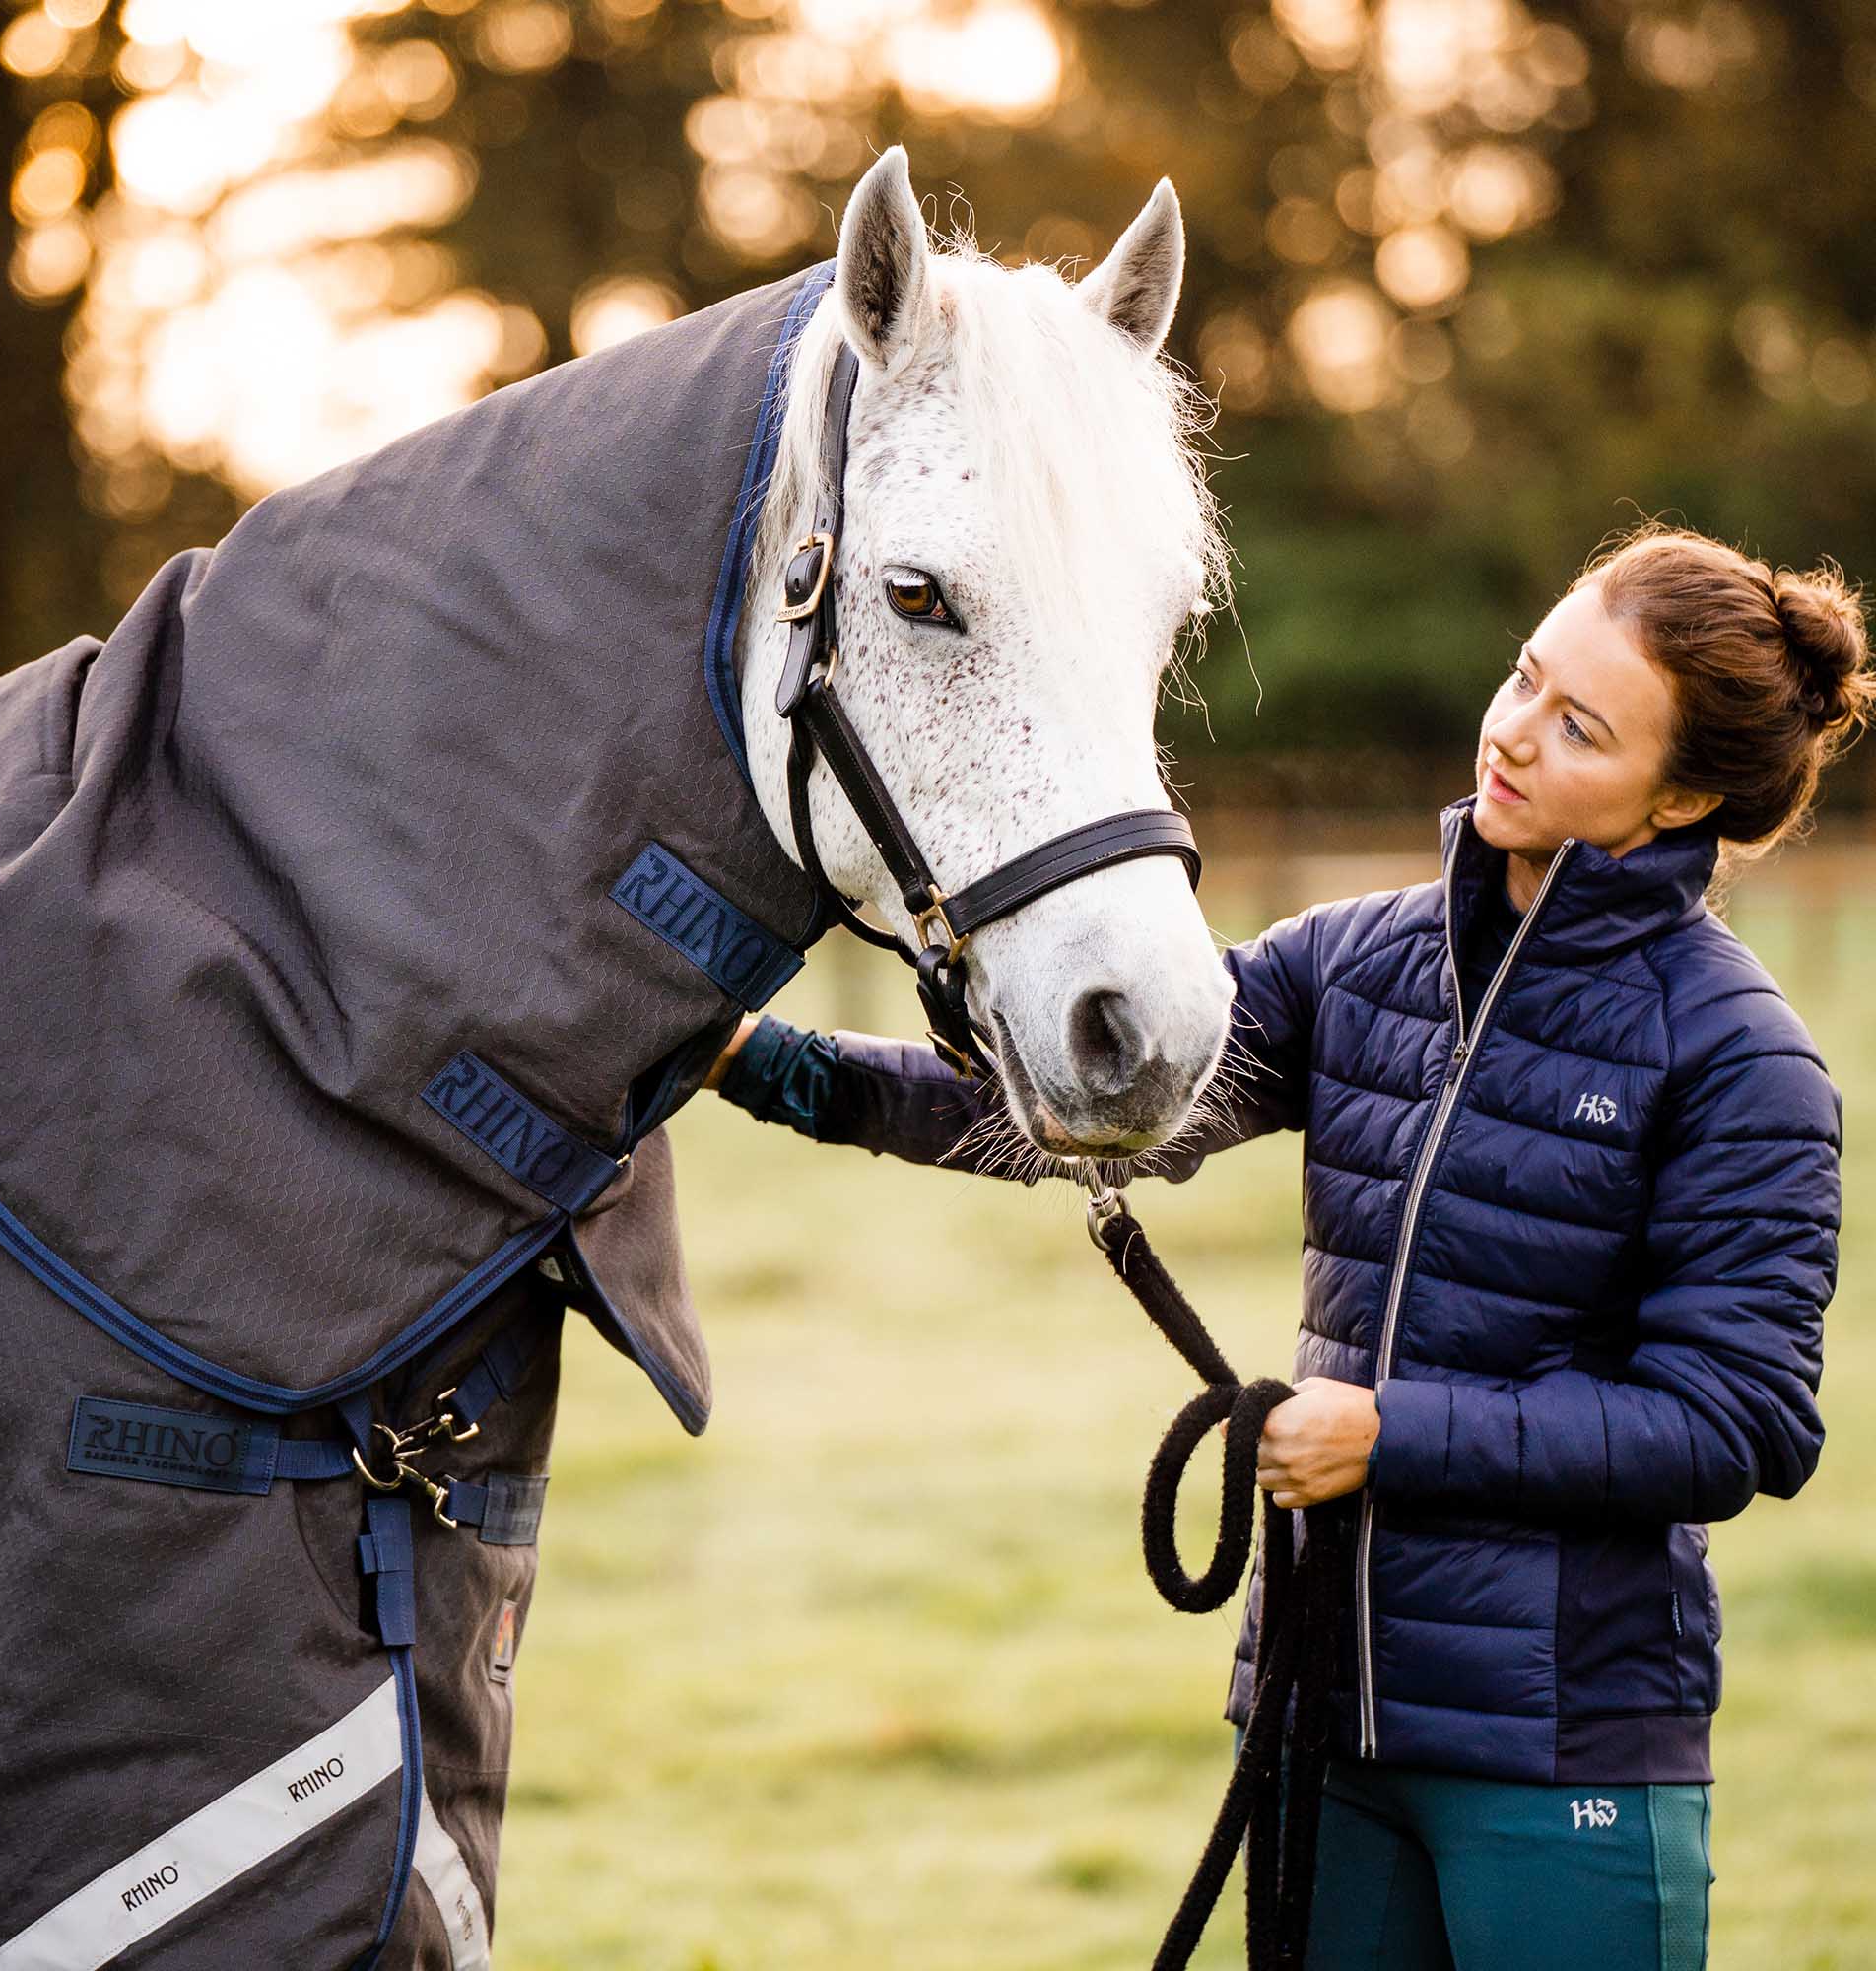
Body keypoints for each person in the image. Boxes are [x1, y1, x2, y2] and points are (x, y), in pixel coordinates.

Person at [704, 525, 1871, 1969]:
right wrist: (766, 1064)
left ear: (1682, 796)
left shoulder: (1740, 1059)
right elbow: (1100, 1100)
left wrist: (1388, 1434)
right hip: (1326, 1713)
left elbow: (1737, 1424)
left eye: (1582, 728)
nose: (1513, 732)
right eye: (1527, 677)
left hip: (1563, 1753)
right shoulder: (1357, 962)